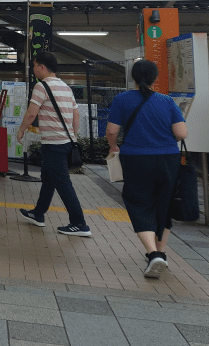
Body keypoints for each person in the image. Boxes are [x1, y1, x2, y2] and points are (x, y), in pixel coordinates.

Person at [106, 59, 187, 279]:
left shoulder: (122, 99)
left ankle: (152, 254)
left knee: (139, 202)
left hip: (136, 159)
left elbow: (112, 131)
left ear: (133, 77)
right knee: (164, 203)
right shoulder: (167, 101)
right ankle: (161, 252)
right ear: (155, 78)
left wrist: (114, 147)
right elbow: (181, 134)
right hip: (168, 158)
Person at [16, 51, 91, 236]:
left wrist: (21, 129)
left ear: (42, 67)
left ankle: (79, 224)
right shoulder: (66, 87)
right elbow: (76, 115)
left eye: (34, 65)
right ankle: (38, 214)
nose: (33, 69)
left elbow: (32, 113)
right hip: (65, 142)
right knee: (49, 179)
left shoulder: (41, 87)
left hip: (54, 144)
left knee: (63, 183)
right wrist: (73, 137)